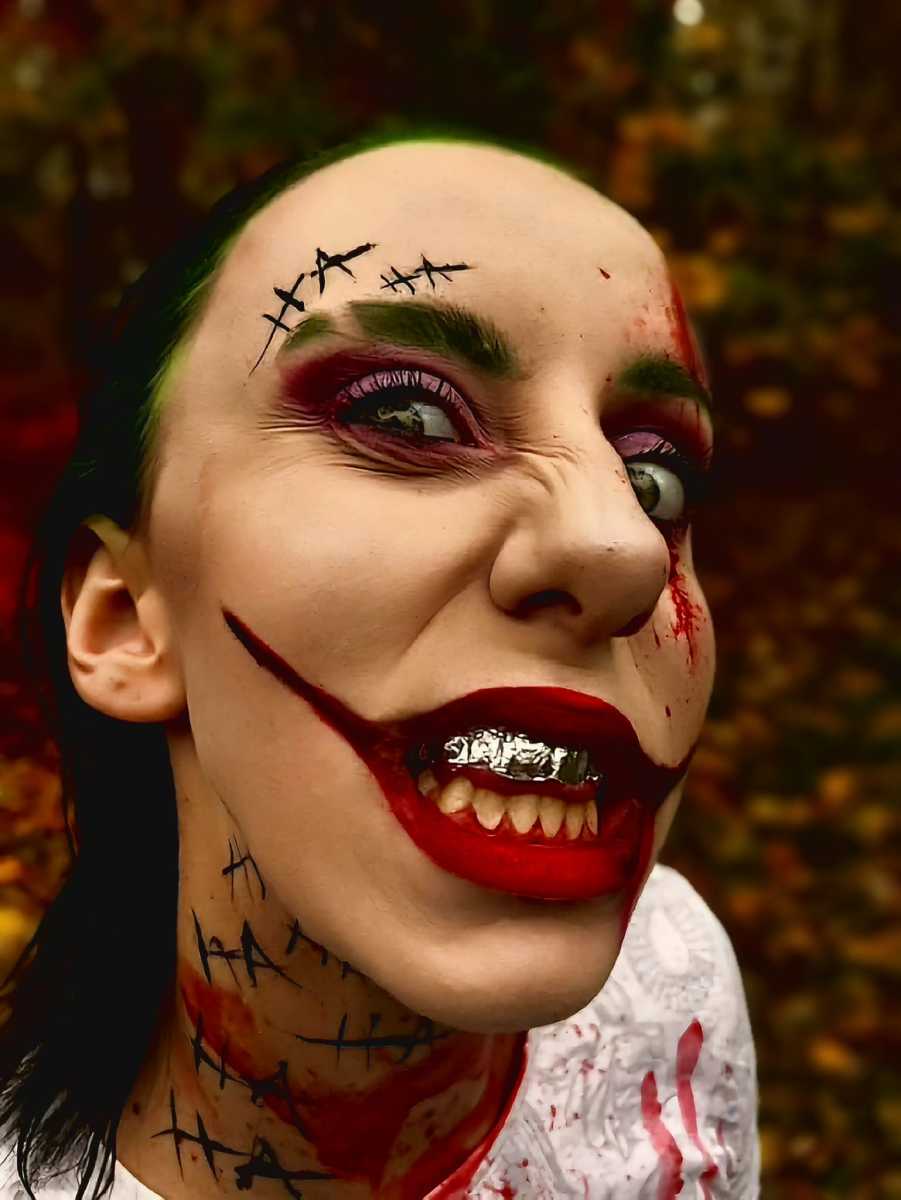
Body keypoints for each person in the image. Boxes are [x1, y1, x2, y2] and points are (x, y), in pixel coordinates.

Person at [0, 135, 759, 1199]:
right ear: (125, 617)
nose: (623, 546)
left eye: (656, 480)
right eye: (408, 416)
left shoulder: (671, 978)